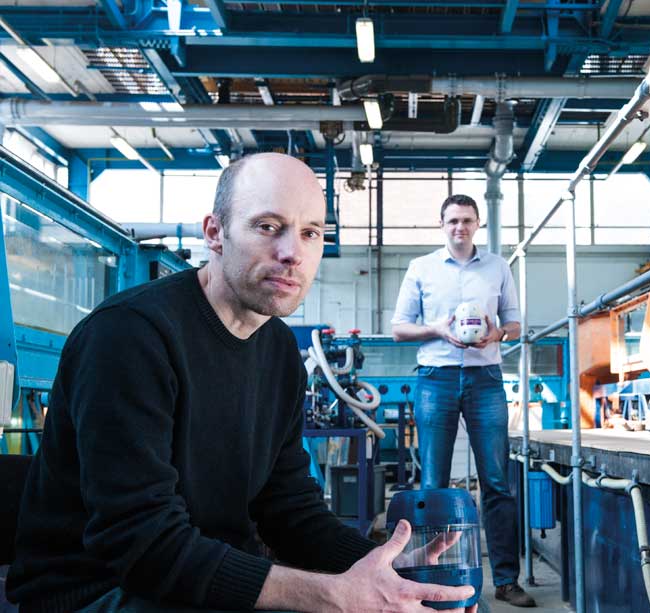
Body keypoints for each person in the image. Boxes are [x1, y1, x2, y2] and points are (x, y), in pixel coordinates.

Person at [6, 153, 475, 613]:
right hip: (101, 591)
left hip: (196, 579)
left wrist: (380, 572)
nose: (292, 253)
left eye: (310, 233)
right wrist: (335, 596)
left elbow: (289, 509)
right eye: (268, 226)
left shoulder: (279, 356)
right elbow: (142, 543)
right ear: (215, 233)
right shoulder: (129, 337)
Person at [391, 194, 536, 608]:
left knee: (496, 481)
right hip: (435, 378)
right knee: (433, 483)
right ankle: (430, 580)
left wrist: (498, 334)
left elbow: (513, 322)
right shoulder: (421, 269)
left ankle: (506, 580)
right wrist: (437, 329)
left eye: (467, 220)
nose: (460, 227)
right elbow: (399, 328)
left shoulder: (497, 267)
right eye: (453, 220)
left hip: (485, 378)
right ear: (442, 224)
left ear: (478, 224)